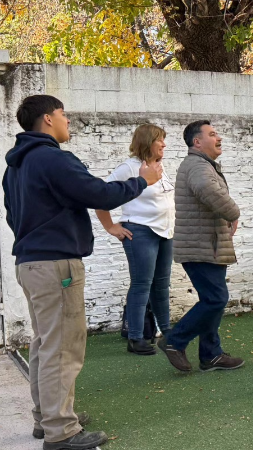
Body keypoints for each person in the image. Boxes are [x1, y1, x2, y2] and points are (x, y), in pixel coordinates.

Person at [3, 95, 161, 449]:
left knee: (45, 343)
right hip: (56, 264)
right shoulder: (51, 159)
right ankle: (61, 431)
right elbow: (99, 194)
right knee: (62, 348)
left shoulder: (14, 168)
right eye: (64, 116)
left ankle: (48, 418)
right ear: (47, 119)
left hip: (29, 263)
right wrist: (141, 181)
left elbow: (14, 218)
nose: (68, 122)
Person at [157, 120, 244, 372]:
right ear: (197, 142)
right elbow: (206, 189)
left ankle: (211, 355)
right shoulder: (197, 165)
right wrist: (233, 212)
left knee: (212, 298)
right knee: (216, 299)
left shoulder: (201, 164)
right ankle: (175, 341)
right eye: (213, 134)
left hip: (208, 245)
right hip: (201, 246)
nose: (219, 138)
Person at [96, 124, 175, 355]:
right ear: (147, 142)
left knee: (161, 284)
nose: (164, 144)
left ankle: (167, 331)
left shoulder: (160, 168)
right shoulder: (129, 168)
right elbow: (102, 197)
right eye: (160, 140)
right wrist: (110, 226)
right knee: (142, 284)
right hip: (139, 232)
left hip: (165, 232)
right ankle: (136, 338)